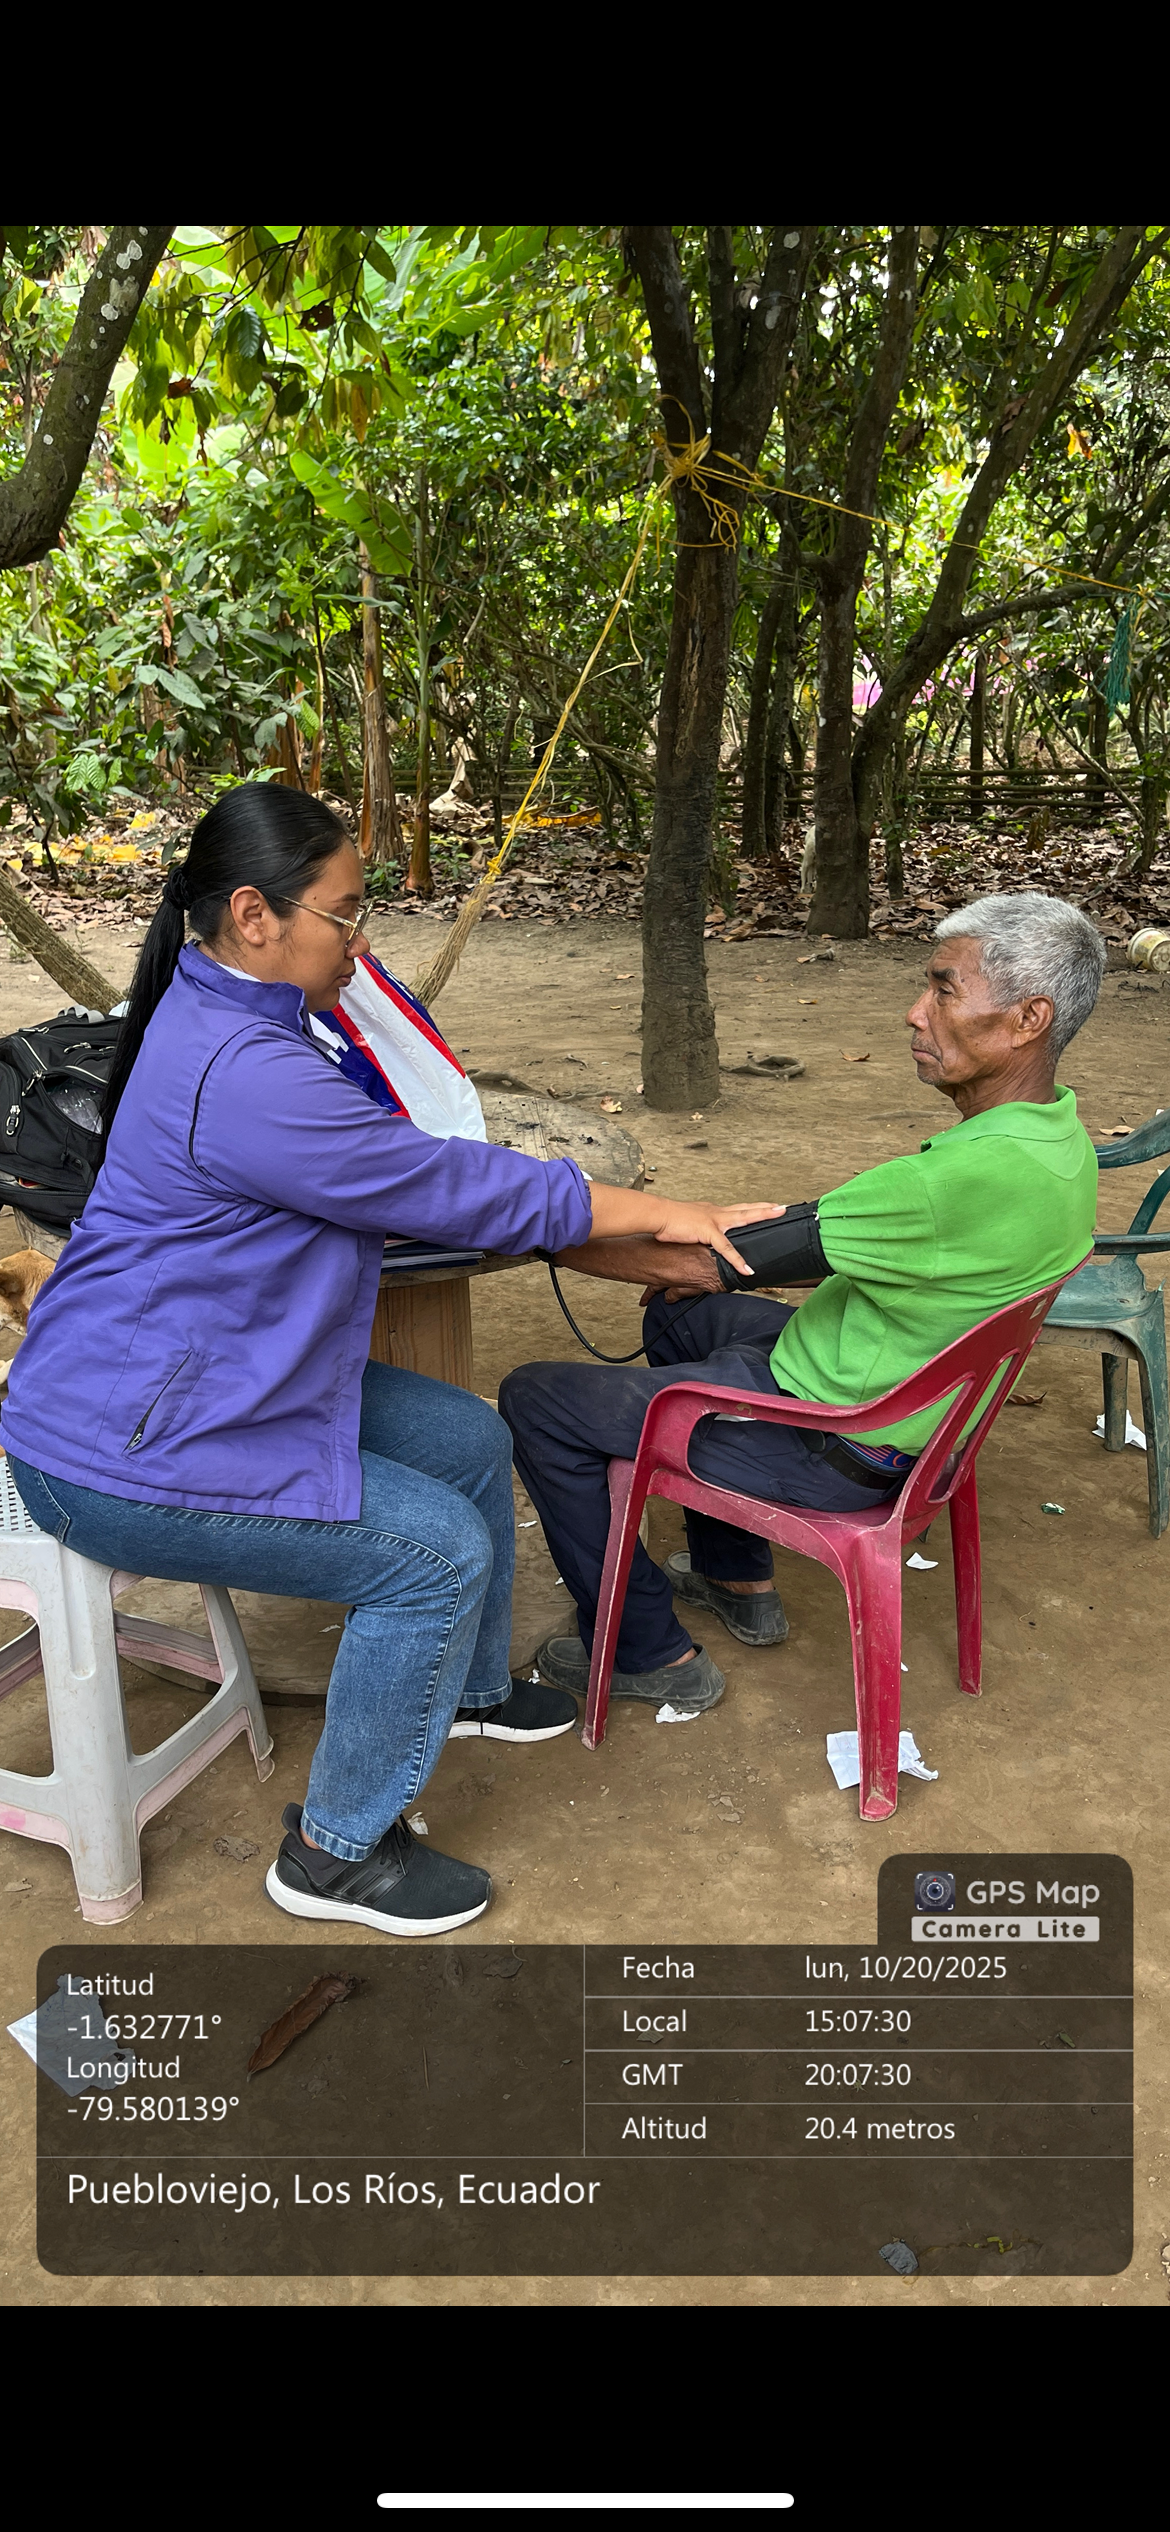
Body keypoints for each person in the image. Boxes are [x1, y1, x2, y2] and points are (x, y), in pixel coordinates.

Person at [0, 785, 774, 1935]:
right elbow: (452, 1183)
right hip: (120, 1445)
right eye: (346, 912)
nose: (360, 941)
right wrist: (673, 1213)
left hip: (199, 1382)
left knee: (466, 1437)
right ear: (254, 915)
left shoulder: (233, 1017)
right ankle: (334, 1853)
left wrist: (645, 1235)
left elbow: (406, 1178)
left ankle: (462, 1690)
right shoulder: (243, 1067)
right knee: (436, 1552)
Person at [500, 892, 1106, 1708]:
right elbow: (763, 1253)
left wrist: (525, 1228)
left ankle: (649, 1653)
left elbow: (709, 1262)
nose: (915, 1012)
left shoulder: (946, 1183)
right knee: (678, 1310)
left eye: (943, 990)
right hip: (904, 1402)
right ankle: (736, 1577)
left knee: (537, 1400)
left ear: (1029, 1018)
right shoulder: (1061, 1141)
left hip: (839, 1439)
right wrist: (723, 1248)